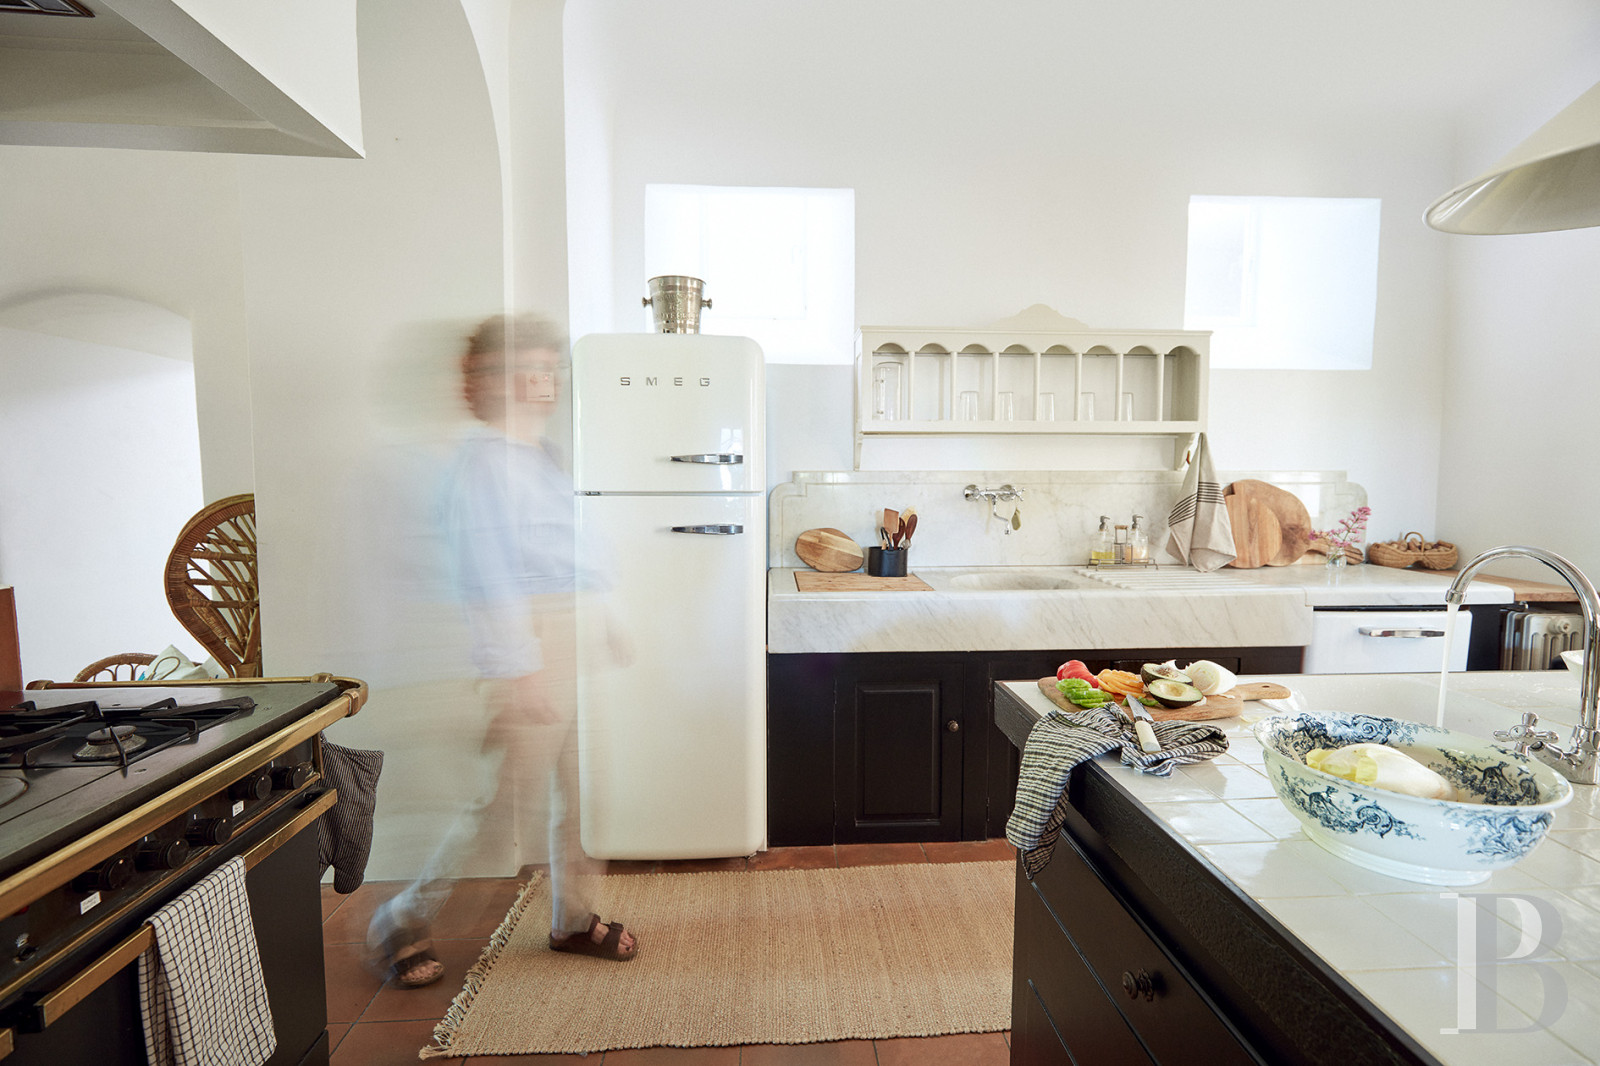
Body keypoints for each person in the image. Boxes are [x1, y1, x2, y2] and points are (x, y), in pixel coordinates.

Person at [366, 313, 636, 989]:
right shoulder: (484, 463)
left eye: (549, 368)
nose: (542, 381)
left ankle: (572, 920)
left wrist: (608, 616)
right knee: (497, 808)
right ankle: (403, 914)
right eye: (527, 368)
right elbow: (487, 572)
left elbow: (575, 547)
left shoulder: (542, 457)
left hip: (570, 628)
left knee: (581, 797)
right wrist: (521, 667)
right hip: (531, 639)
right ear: (486, 383)